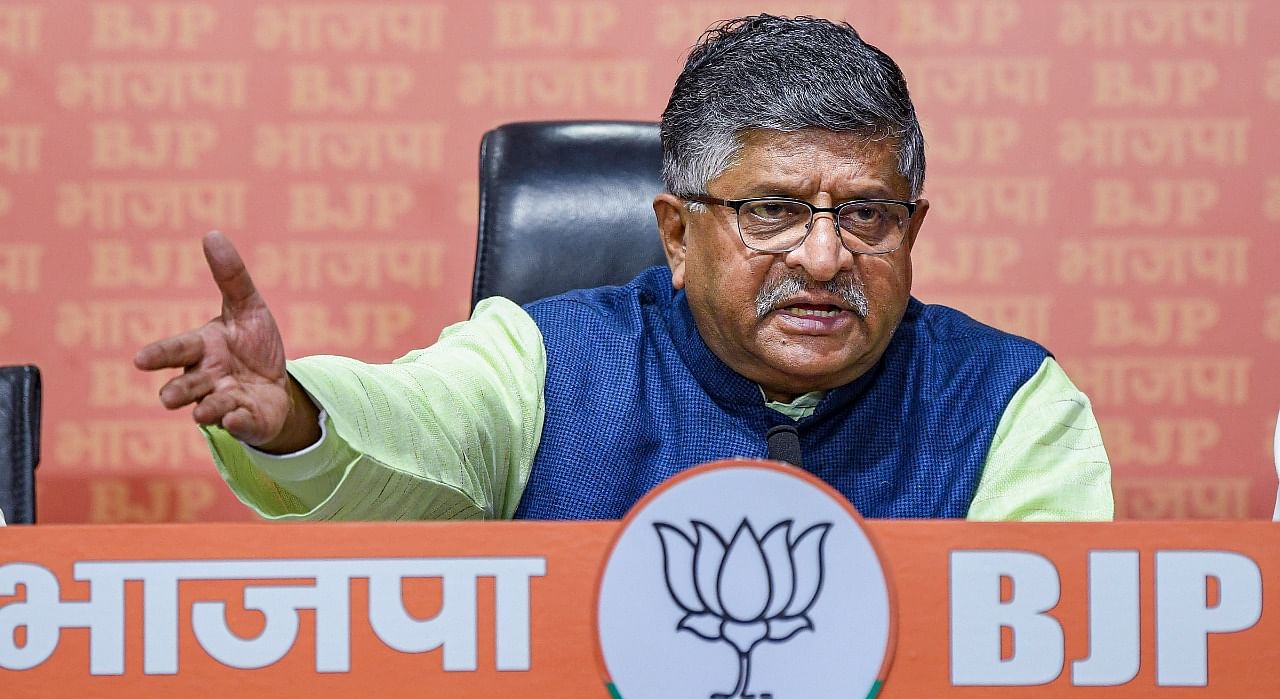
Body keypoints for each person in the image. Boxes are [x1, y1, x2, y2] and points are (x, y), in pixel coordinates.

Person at [135, 15, 1112, 522]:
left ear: (913, 226)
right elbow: (416, 427)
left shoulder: (1008, 400)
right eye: (771, 210)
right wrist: (298, 414)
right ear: (677, 235)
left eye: (865, 214)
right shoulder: (546, 362)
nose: (824, 257)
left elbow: (1051, 658)